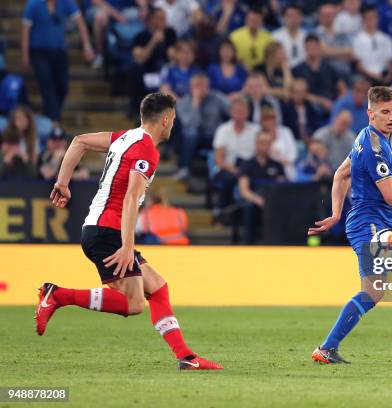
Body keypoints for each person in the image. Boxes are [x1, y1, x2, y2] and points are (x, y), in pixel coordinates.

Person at [36, 93, 223, 370]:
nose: (173, 125)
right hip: (108, 231)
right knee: (134, 303)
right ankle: (58, 295)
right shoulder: (147, 149)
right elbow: (130, 197)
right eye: (173, 119)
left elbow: (79, 142)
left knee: (158, 288)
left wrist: (63, 182)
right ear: (165, 119)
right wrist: (126, 245)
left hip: (100, 228)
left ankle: (186, 357)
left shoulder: (124, 137)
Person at [308, 86, 392, 364]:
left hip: (374, 226)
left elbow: (341, 174)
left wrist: (335, 214)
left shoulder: (365, 137)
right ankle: (326, 348)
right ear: (370, 113)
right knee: (374, 290)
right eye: (384, 112)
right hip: (371, 227)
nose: (391, 117)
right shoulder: (375, 149)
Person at [22, 0, 95, 124]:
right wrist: (25, 56)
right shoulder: (33, 4)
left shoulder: (66, 2)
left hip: (59, 50)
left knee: (63, 86)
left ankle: (49, 114)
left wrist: (87, 46)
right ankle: (54, 121)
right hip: (38, 51)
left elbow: (80, 21)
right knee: (47, 84)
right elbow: (25, 30)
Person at [175, 73, 229, 179]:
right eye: (197, 86)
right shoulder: (184, 102)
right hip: (193, 138)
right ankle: (185, 168)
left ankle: (219, 170)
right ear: (191, 87)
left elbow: (232, 111)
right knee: (190, 133)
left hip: (213, 135)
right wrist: (196, 103)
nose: (200, 89)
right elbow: (190, 124)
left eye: (203, 85)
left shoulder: (217, 97)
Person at [238, 130, 286, 243]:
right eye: (261, 142)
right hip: (255, 199)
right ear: (256, 144)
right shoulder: (247, 165)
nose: (264, 146)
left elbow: (282, 188)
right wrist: (258, 200)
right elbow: (244, 191)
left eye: (267, 143)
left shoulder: (277, 166)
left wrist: (271, 201)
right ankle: (249, 243)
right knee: (249, 208)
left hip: (273, 200)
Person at [130, 7, 177, 115]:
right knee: (135, 69)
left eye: (165, 18)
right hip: (147, 70)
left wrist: (169, 48)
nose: (164, 21)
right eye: (160, 18)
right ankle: (136, 109)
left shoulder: (170, 33)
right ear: (151, 20)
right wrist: (154, 41)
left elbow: (175, 56)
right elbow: (140, 59)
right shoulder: (141, 36)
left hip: (166, 70)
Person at [352, 6, 392, 85]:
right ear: (363, 19)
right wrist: (374, 76)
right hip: (366, 78)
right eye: (368, 17)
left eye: (373, 16)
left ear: (378, 18)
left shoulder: (386, 38)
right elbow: (359, 66)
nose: (371, 20)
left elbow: (390, 62)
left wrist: (389, 75)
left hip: (384, 76)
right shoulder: (357, 39)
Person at [272, 4, 307, 69]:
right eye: (290, 16)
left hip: (304, 72)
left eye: (296, 16)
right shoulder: (275, 36)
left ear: (301, 17)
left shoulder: (306, 36)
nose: (293, 19)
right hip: (283, 70)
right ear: (284, 18)